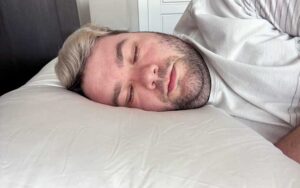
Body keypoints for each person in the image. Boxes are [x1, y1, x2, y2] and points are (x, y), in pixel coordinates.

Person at [55, 0, 300, 163]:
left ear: (140, 31)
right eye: (128, 94)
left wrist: (285, 154)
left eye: (134, 53)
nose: (147, 75)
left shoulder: (228, 7)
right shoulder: (188, 149)